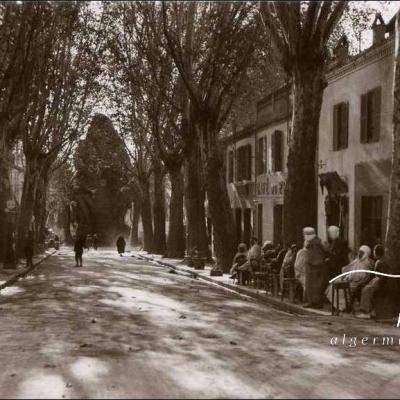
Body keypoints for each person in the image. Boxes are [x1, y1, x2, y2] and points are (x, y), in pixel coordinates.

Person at [325, 245, 373, 312]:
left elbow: (362, 275)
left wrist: (350, 276)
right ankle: (337, 305)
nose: (359, 254)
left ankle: (343, 307)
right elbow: (349, 267)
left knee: (341, 289)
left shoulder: (366, 263)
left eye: (361, 252)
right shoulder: (357, 260)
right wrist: (345, 273)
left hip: (357, 282)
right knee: (334, 283)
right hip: (351, 279)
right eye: (359, 252)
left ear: (366, 253)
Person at [358, 245, 388, 319]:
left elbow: (382, 276)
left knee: (366, 290)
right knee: (366, 288)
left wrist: (376, 282)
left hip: (380, 282)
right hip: (378, 280)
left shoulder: (381, 262)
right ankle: (372, 311)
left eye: (374, 251)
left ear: (376, 253)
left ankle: (366, 312)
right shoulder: (380, 261)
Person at [302, 227, 327, 309]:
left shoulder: (315, 243)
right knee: (311, 286)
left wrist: (311, 263)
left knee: (316, 287)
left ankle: (316, 303)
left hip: (315, 269)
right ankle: (312, 301)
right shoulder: (312, 242)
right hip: (311, 268)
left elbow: (317, 257)